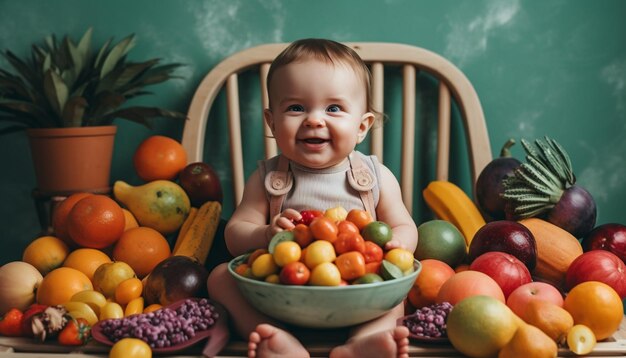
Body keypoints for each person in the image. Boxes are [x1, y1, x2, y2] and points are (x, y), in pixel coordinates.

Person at [206, 38, 418, 358]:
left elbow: (404, 225)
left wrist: (396, 245)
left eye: (333, 108)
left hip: (358, 295)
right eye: (296, 108)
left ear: (362, 127)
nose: (314, 119)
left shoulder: (375, 176)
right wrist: (264, 234)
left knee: (398, 294)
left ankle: (362, 343)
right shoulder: (267, 178)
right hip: (283, 296)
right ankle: (279, 340)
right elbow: (235, 232)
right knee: (220, 277)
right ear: (272, 122)